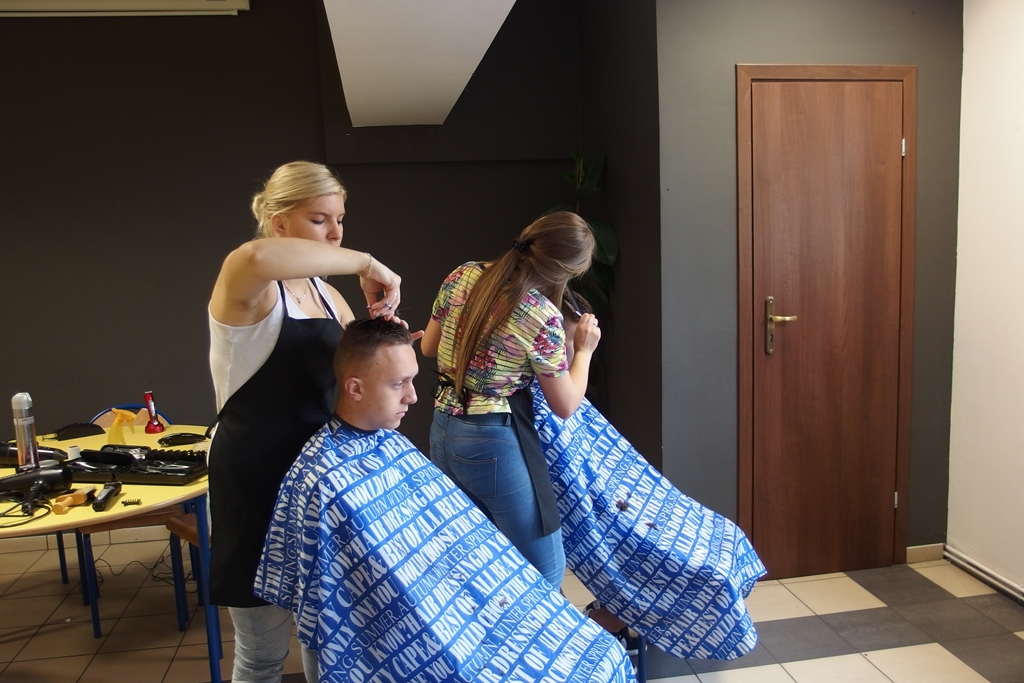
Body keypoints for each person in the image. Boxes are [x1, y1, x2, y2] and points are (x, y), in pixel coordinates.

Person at [254, 318, 635, 683]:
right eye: (398, 383)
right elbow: (325, 610)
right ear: (355, 388)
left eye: (413, 380)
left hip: (460, 610)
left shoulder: (391, 443)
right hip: (422, 637)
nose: (413, 396)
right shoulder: (325, 480)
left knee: (602, 653)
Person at [207, 161, 405, 683]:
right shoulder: (249, 284)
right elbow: (258, 257)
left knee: (331, 641)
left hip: (318, 484)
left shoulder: (326, 294)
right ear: (279, 222)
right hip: (255, 482)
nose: (335, 233)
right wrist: (367, 262)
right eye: (320, 220)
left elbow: (353, 382)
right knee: (262, 653)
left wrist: (382, 345)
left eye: (340, 219)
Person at [533, 290, 767, 661]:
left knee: (724, 537)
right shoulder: (548, 401)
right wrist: (584, 353)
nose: (574, 352)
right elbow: (565, 424)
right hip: (604, 510)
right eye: (570, 343)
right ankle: (609, 621)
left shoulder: (557, 389)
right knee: (707, 571)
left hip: (627, 501)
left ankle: (617, 618)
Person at [420, 211, 602, 590]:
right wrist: (584, 350)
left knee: (476, 563)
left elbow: (428, 346)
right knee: (546, 570)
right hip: (490, 443)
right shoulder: (541, 316)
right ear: (564, 271)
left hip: (441, 431)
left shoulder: (462, 274)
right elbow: (565, 404)